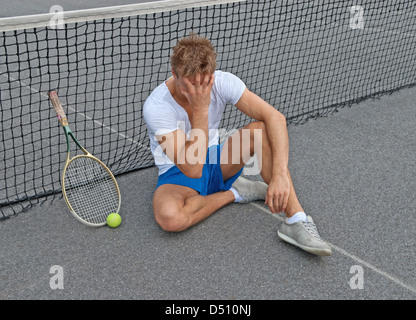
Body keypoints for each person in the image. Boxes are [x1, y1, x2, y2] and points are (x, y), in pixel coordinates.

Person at [143, 33, 332, 256]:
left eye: (203, 81)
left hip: (216, 162)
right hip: (178, 172)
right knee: (170, 219)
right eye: (190, 83)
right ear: (174, 73)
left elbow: (275, 119)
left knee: (261, 130)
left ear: (211, 74)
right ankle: (235, 191)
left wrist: (280, 174)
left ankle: (296, 220)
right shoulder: (156, 107)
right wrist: (201, 108)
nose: (198, 89)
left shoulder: (223, 82)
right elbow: (192, 168)